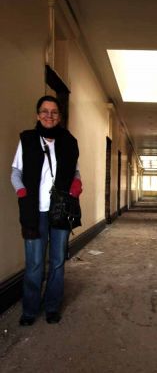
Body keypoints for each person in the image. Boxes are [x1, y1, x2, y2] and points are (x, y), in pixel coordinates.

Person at [11, 95, 82, 326]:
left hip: (60, 210)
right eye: (44, 111)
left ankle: (52, 306)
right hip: (34, 211)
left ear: (59, 116)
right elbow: (15, 172)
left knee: (58, 261)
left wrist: (76, 183)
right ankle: (30, 310)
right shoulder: (28, 140)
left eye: (54, 112)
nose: (49, 115)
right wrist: (21, 190)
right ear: (37, 114)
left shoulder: (69, 142)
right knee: (34, 263)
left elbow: (75, 171)